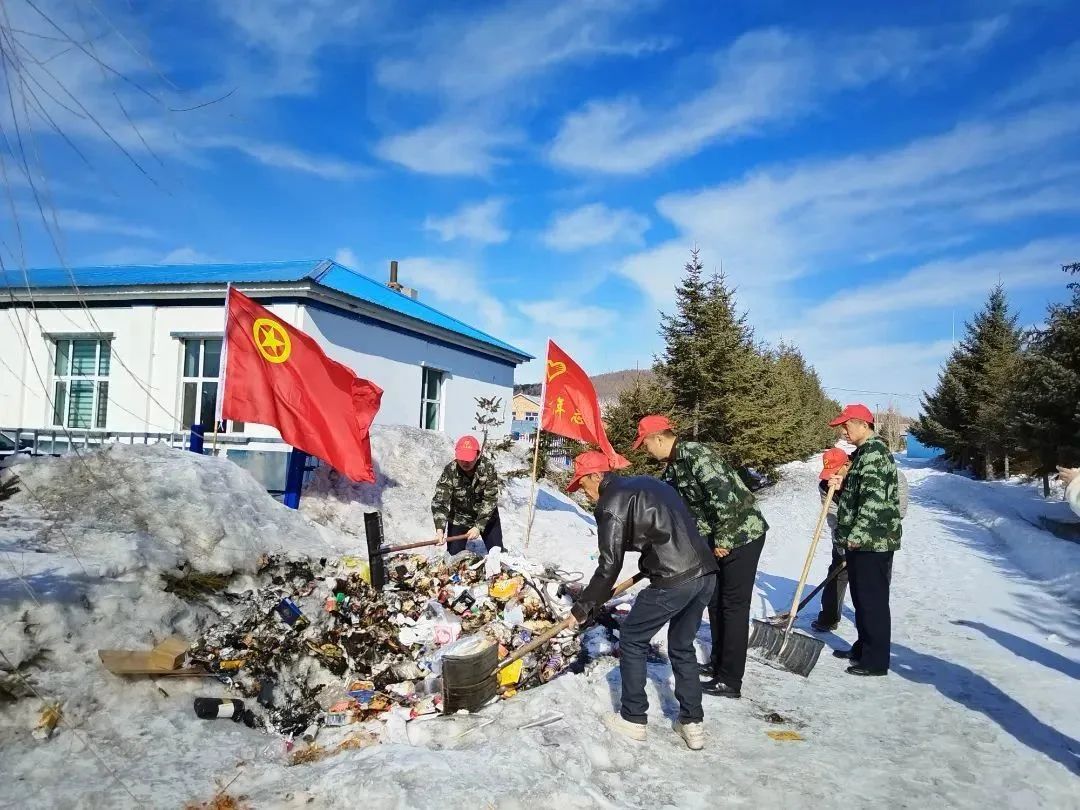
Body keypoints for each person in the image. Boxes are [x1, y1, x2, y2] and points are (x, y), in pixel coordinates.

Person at [567, 450, 718, 751]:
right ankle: (692, 723)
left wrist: (583, 607)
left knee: (634, 639)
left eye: (582, 485)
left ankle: (633, 718)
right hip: (705, 573)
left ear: (597, 476)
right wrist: (649, 564)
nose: (584, 494)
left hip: (674, 580)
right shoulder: (650, 484)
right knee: (681, 646)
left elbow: (609, 565)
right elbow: (668, 530)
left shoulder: (611, 504)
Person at [633, 415, 768, 700]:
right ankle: (719, 665)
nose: (646, 451)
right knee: (716, 602)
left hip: (742, 534)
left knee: (733, 605)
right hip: (719, 539)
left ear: (659, 438)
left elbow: (723, 496)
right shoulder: (673, 467)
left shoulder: (695, 454)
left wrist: (724, 540)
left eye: (645, 444)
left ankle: (730, 679)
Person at [827, 404, 903, 676]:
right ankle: (863, 647)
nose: (844, 431)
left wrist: (856, 535)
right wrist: (841, 483)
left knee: (873, 600)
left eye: (846, 425)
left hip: (873, 540)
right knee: (861, 598)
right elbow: (859, 491)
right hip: (862, 539)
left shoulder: (874, 455)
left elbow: (873, 500)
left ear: (862, 424)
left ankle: (875, 661)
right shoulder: (862, 454)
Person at [812, 448, 909, 633]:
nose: (831, 477)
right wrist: (840, 543)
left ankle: (871, 623)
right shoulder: (826, 485)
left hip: (877, 535)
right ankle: (829, 617)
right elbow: (832, 515)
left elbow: (899, 506)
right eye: (828, 473)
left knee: (875, 582)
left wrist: (873, 531)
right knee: (837, 573)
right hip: (845, 533)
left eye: (835, 471)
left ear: (847, 465)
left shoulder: (874, 473)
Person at [431, 435, 504, 556]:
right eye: (462, 458)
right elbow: (440, 501)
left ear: (478, 455)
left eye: (469, 459)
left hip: (486, 517)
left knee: (497, 554)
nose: (465, 462)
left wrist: (478, 526)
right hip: (460, 517)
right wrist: (440, 529)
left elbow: (490, 500)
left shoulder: (487, 469)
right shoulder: (450, 470)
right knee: (454, 556)